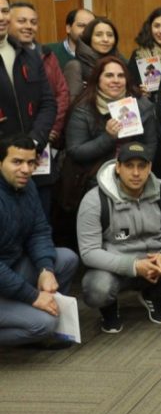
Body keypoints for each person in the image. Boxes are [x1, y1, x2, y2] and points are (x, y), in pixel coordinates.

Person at [76, 141, 161, 333]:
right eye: (129, 166)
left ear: (149, 168)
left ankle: (152, 293)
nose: (136, 173)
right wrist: (133, 266)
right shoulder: (94, 200)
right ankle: (109, 306)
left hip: (156, 263)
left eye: (141, 166)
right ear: (118, 167)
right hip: (116, 268)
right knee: (98, 290)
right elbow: (89, 252)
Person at [0, 134, 78, 349]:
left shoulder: (28, 187)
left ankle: (26, 318)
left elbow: (39, 231)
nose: (26, 169)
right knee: (44, 324)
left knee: (66, 259)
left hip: (11, 269)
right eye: (17, 162)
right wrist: (33, 297)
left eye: (31, 162)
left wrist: (45, 269)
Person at [63, 56, 158, 219]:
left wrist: (138, 171)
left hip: (135, 179)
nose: (116, 80)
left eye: (120, 76)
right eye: (109, 75)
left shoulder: (142, 105)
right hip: (94, 181)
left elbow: (150, 144)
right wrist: (108, 137)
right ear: (98, 79)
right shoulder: (83, 108)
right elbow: (75, 151)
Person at [0, 0, 59, 217]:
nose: (1, 17)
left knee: (40, 225)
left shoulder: (30, 55)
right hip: (2, 161)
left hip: (35, 160)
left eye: (4, 11)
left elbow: (48, 102)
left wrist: (33, 142)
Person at [125, 6, 161, 191]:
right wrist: (138, 91)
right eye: (157, 25)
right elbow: (127, 88)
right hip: (149, 125)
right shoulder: (139, 55)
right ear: (149, 28)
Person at [63, 16, 122, 99]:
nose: (105, 39)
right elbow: (72, 102)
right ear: (89, 38)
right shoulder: (75, 66)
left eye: (110, 35)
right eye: (99, 35)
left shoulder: (120, 63)